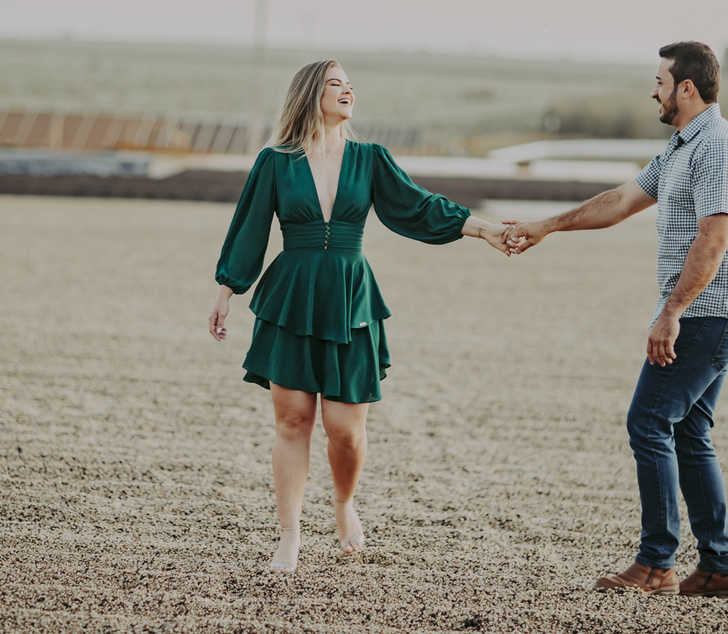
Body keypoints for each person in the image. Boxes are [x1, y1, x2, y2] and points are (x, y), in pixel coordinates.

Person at [210, 59, 510, 573]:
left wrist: (483, 230)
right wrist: (226, 290)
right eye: (335, 84)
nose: (347, 90)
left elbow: (417, 208)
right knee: (293, 419)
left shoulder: (371, 159)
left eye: (350, 85)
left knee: (345, 428)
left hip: (351, 297)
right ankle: (289, 536)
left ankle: (344, 504)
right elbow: (250, 225)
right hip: (292, 294)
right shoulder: (275, 160)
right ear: (310, 94)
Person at [503, 42, 728, 598]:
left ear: (686, 88)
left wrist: (671, 312)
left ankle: (657, 563)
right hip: (713, 313)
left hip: (708, 313)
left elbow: (714, 238)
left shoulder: (716, 146)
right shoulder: (681, 146)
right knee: (689, 432)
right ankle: (719, 567)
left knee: (648, 422)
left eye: (660, 81)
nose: (654, 91)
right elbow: (622, 200)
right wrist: (547, 225)